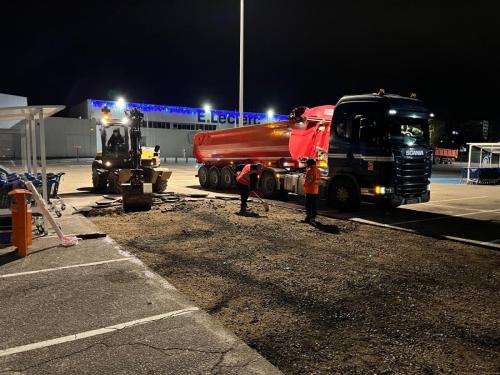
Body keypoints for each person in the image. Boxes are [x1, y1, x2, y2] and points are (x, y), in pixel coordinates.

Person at [303, 158, 322, 224]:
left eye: (307, 163)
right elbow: (319, 180)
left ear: (309, 164)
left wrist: (304, 186)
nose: (306, 165)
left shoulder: (310, 170)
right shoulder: (318, 170)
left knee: (308, 205)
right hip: (315, 190)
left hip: (309, 190)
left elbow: (308, 181)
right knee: (313, 204)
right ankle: (313, 217)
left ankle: (308, 218)